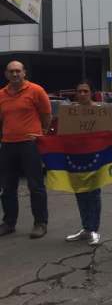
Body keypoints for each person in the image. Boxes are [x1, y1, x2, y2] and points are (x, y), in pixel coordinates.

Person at [0, 61, 51, 238]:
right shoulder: (1, 94)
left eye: (18, 71)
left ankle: (40, 223)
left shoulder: (36, 90)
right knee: (7, 187)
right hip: (7, 144)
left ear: (24, 73)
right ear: (6, 74)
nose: (15, 74)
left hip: (30, 144)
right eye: (11, 71)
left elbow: (46, 115)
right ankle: (9, 223)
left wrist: (40, 134)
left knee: (35, 185)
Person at [65, 80, 112, 246]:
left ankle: (93, 229)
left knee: (93, 194)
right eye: (80, 91)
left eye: (86, 91)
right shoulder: (70, 112)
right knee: (80, 193)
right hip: (76, 159)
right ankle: (85, 228)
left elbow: (109, 130)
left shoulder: (100, 111)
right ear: (76, 94)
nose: (83, 94)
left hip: (95, 159)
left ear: (91, 92)